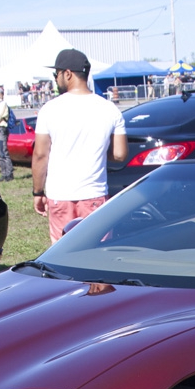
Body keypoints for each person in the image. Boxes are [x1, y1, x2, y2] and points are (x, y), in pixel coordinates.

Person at [31, 49, 128, 244]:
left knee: (62, 252)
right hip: (95, 195)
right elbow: (119, 154)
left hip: (60, 196)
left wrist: (38, 192)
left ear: (67, 74)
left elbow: (41, 155)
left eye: (56, 74)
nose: (56, 79)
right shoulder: (110, 109)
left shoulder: (50, 109)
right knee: (95, 252)